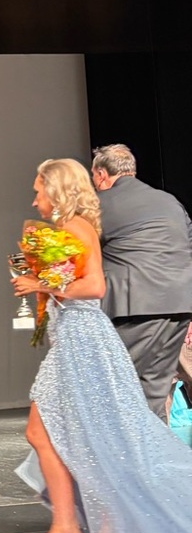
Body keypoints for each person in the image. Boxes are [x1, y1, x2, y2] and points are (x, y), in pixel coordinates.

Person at [11, 158, 192, 533]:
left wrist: (41, 285)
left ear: (57, 191)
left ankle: (67, 528)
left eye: (39, 190)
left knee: (41, 432)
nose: (34, 198)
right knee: (95, 432)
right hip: (75, 338)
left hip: (81, 341)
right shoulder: (72, 230)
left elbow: (93, 287)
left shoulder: (75, 228)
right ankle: (104, 527)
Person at [91, 144, 192, 420]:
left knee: (124, 389)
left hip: (135, 308)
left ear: (101, 174)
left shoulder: (101, 204)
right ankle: (157, 459)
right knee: (153, 395)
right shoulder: (170, 201)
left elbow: (84, 253)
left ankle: (131, 459)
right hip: (180, 306)